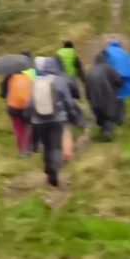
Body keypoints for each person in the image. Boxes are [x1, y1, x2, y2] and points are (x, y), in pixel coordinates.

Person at [29, 53, 86, 189]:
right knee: (55, 146)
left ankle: (48, 167)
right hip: (57, 119)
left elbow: (30, 103)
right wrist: (74, 116)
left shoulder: (35, 82)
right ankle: (54, 170)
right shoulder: (60, 81)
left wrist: (30, 116)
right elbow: (68, 102)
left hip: (39, 120)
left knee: (46, 145)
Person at [83, 44, 124, 141]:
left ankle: (103, 131)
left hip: (94, 99)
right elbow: (119, 81)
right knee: (108, 115)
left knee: (100, 115)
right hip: (107, 97)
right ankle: (107, 132)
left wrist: (89, 98)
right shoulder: (108, 68)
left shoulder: (90, 71)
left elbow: (87, 88)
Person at [102, 35, 130, 115]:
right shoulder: (124, 53)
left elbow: (102, 65)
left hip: (111, 77)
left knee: (110, 95)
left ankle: (110, 114)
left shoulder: (106, 52)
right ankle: (120, 116)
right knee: (120, 96)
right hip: (123, 78)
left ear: (108, 44)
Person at [3, 65, 35, 156]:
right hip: (28, 107)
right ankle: (29, 148)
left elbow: (4, 93)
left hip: (14, 108)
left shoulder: (10, 77)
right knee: (28, 127)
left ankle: (22, 151)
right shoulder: (29, 77)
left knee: (18, 129)